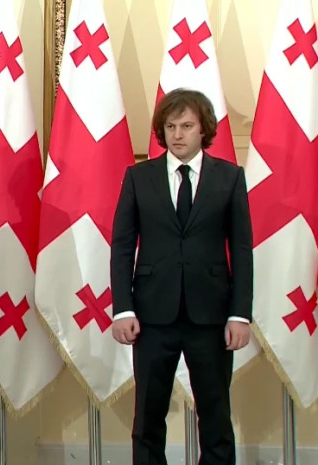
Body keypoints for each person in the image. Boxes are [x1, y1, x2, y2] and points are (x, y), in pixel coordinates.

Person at [110, 88, 252, 465]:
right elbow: (122, 246)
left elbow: (241, 250)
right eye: (171, 126)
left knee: (216, 416)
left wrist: (240, 314)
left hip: (211, 316)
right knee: (148, 417)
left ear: (203, 129)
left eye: (187, 126)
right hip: (152, 315)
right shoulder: (139, 177)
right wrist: (123, 308)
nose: (177, 134)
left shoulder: (230, 178)